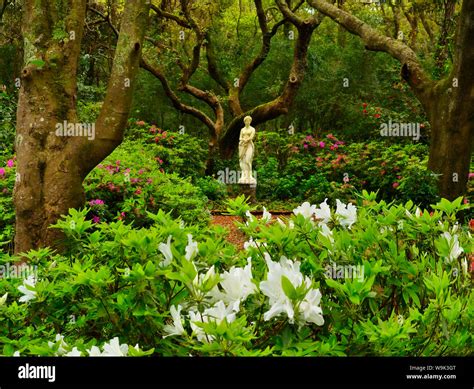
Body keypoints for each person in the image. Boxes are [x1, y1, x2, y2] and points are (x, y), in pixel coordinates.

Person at [238, 115, 257, 184]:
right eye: (246, 121)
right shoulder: (242, 129)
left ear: (250, 122)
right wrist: (243, 140)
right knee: (242, 160)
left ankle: (249, 175)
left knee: (248, 160)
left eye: (249, 121)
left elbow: (251, 137)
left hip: (249, 145)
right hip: (242, 145)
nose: (248, 122)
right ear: (244, 122)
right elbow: (240, 137)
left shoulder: (252, 129)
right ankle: (243, 175)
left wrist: (246, 140)